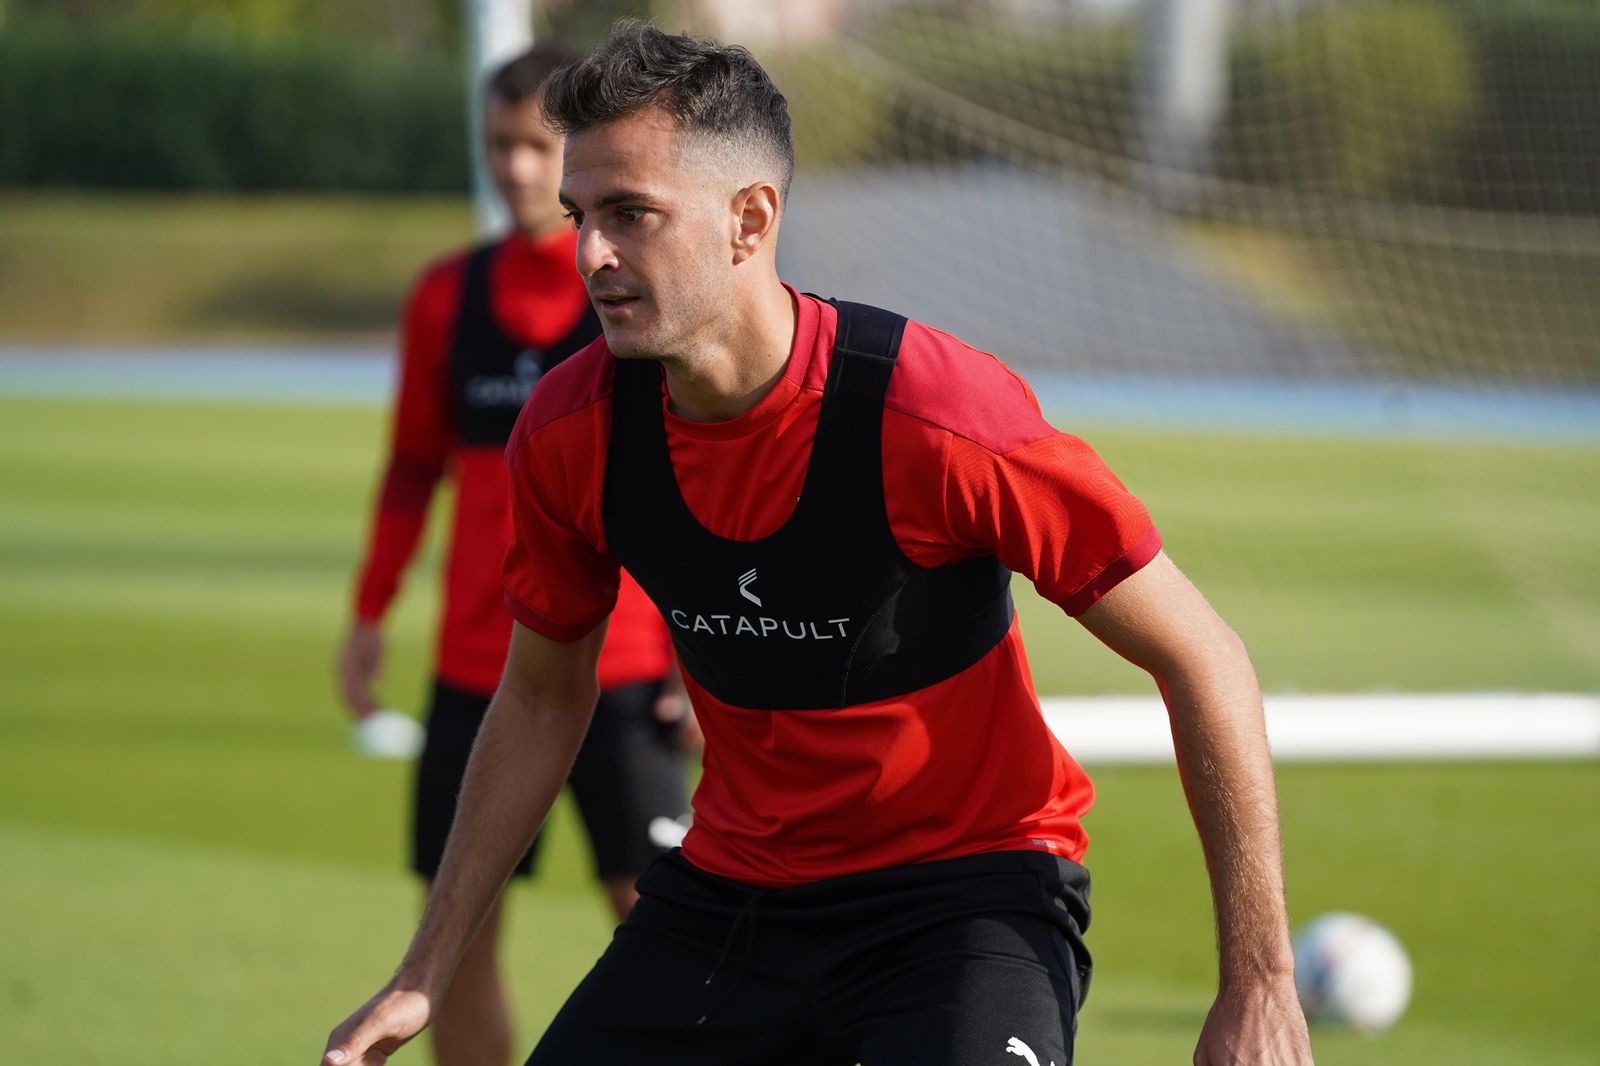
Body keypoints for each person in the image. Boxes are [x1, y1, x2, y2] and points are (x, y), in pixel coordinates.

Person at [323, 22, 1315, 1066]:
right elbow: (536, 695)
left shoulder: (937, 415)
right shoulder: (570, 431)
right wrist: (422, 971)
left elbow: (1200, 653)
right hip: (730, 901)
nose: (589, 254)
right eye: (581, 216)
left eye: (630, 215)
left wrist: (1258, 982)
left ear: (749, 220)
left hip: (964, 902)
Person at [334, 43, 693, 1066]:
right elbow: (410, 468)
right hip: (477, 675)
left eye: (538, 148)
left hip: (624, 676)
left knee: (663, 933)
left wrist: (697, 658)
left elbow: (694, 490)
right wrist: (368, 614)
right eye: (500, 146)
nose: (518, 171)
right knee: (455, 943)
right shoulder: (446, 298)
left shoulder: (641, 292)